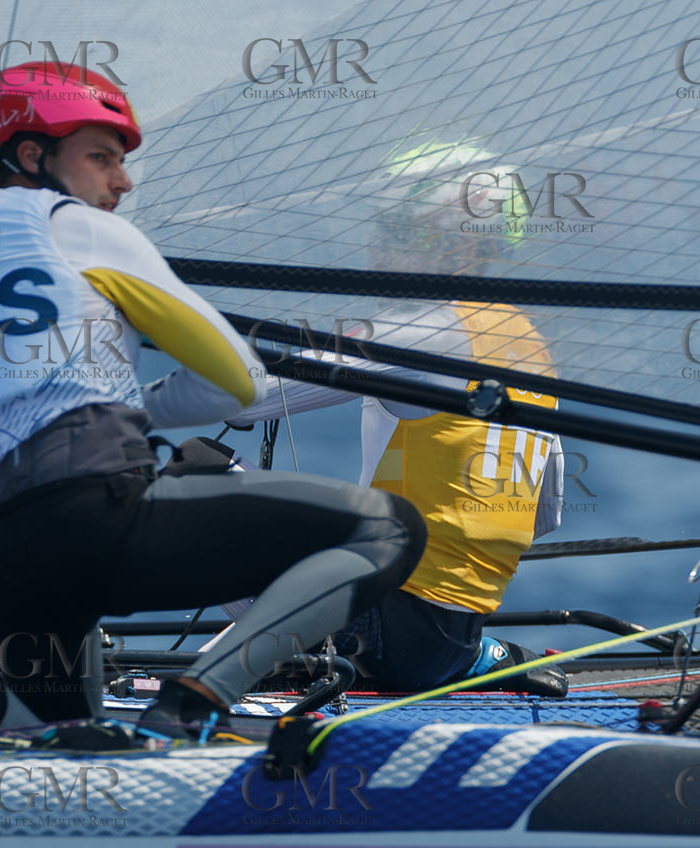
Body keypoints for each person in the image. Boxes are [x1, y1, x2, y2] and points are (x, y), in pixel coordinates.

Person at [0, 61, 427, 724]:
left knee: (70, 746)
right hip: (101, 530)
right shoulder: (80, 229)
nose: (122, 182)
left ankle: (41, 736)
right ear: (32, 156)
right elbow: (235, 380)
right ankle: (197, 699)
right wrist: (142, 408)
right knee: (385, 527)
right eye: (101, 158)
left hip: (0, 576)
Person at [224, 140, 567, 695]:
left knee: (190, 475)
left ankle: (282, 660)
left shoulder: (420, 331)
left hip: (376, 637)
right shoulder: (530, 344)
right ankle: (479, 656)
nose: (376, 246)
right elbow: (545, 518)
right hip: (450, 639)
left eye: (397, 231)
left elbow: (242, 398)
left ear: (457, 243)